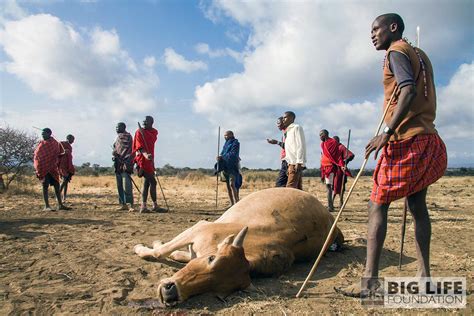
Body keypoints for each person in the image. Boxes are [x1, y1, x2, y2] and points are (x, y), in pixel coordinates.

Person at [339, 13, 447, 297]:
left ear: (393, 28)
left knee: (377, 205)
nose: (372, 34)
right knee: (417, 207)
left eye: (376, 29)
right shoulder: (418, 53)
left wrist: (387, 131)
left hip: (405, 140)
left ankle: (369, 282)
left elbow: (408, 90)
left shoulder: (396, 52)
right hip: (427, 137)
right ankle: (424, 278)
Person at [133, 116, 167, 213]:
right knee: (153, 182)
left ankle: (144, 206)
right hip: (143, 161)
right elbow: (139, 147)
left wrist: (149, 157)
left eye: (146, 121)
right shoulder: (139, 132)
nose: (144, 122)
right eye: (143, 121)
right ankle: (153, 205)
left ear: (151, 122)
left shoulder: (153, 132)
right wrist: (146, 155)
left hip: (150, 160)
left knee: (147, 183)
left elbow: (151, 141)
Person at [34, 128, 71, 211]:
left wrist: (63, 153)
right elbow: (37, 156)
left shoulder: (55, 143)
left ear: (49, 134)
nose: (42, 135)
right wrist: (38, 167)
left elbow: (57, 155)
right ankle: (47, 206)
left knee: (57, 185)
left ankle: (60, 205)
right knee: (45, 185)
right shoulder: (41, 144)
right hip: (43, 167)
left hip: (52, 167)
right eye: (42, 134)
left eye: (44, 133)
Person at [319, 129, 345, 211]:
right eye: (319, 135)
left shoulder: (333, 142)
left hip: (330, 167)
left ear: (326, 134)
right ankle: (330, 205)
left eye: (321, 135)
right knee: (328, 186)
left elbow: (338, 156)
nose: (320, 137)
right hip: (324, 167)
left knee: (328, 186)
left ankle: (330, 206)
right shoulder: (322, 144)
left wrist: (342, 165)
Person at [113, 122, 134, 211]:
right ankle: (123, 204)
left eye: (118, 127)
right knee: (120, 185)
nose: (116, 128)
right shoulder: (117, 138)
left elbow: (131, 151)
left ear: (124, 127)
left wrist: (127, 162)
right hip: (118, 164)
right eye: (116, 127)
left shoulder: (128, 137)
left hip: (126, 164)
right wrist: (114, 154)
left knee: (127, 186)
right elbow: (116, 148)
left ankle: (131, 205)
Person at [282, 111, 306, 190]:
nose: (283, 119)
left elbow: (300, 145)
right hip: (290, 163)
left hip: (295, 163)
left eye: (285, 117)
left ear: (292, 118)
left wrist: (299, 162)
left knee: (290, 188)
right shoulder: (288, 131)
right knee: (298, 190)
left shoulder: (296, 128)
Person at [217, 130, 240, 205]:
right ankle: (231, 203)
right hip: (225, 166)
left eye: (226, 135)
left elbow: (233, 154)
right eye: (224, 135)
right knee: (228, 186)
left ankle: (237, 203)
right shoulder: (225, 144)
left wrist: (222, 156)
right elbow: (222, 153)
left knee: (232, 184)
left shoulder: (235, 143)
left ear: (231, 135)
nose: (225, 137)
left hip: (233, 166)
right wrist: (219, 157)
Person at [332, 135, 354, 208]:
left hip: (340, 170)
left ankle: (341, 201)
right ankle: (331, 202)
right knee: (334, 186)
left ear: (338, 141)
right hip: (334, 170)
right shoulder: (332, 148)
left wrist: (345, 162)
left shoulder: (341, 147)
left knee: (341, 186)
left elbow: (351, 155)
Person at [266, 117, 288, 187]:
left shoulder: (288, 132)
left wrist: (276, 142)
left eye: (279, 123)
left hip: (287, 160)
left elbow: (288, 147)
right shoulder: (284, 132)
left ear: (284, 122)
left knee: (280, 184)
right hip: (285, 160)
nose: (277, 125)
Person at [58, 134, 75, 204]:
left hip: (68, 165)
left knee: (66, 181)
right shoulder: (61, 144)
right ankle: (58, 195)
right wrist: (63, 153)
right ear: (68, 138)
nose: (73, 141)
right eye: (72, 140)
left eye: (73, 140)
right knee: (64, 179)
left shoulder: (70, 147)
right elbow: (57, 153)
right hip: (62, 164)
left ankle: (64, 197)